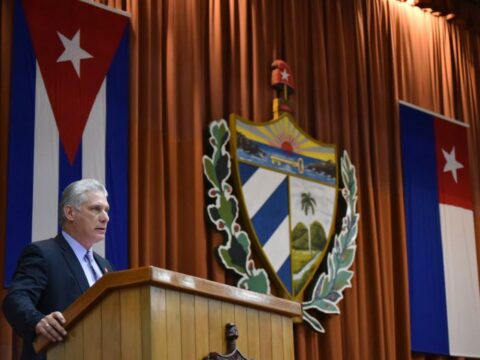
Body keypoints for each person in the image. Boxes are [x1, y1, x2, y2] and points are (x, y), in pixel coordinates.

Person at [2, 178, 114, 360]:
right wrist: (37, 321)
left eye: (106, 210)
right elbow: (16, 298)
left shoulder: (106, 266)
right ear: (70, 212)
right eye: (96, 209)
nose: (105, 217)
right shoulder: (43, 253)